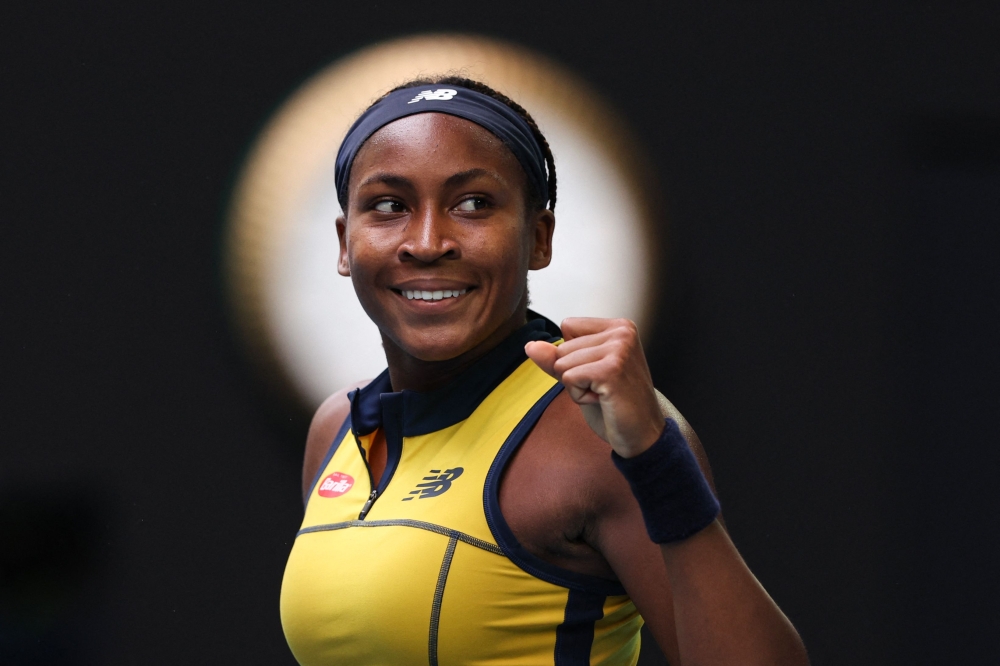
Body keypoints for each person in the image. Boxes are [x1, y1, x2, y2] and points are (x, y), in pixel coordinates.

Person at [279, 76, 809, 666]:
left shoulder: (593, 431)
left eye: (473, 204)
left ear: (538, 238)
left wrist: (655, 459)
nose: (427, 242)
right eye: (389, 206)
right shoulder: (336, 428)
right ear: (345, 243)